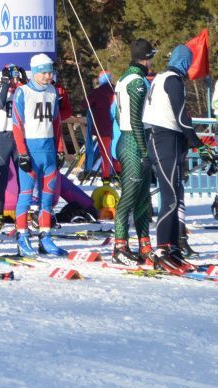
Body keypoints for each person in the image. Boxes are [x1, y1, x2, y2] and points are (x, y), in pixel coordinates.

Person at [144, 44, 210, 273]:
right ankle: (161, 249)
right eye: (189, 62)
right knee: (170, 198)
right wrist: (197, 143)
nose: (190, 67)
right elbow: (181, 116)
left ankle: (172, 248)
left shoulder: (163, 77)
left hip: (166, 140)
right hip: (164, 141)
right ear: (183, 61)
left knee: (174, 194)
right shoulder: (173, 79)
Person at [12, 53, 66, 257]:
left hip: (49, 151)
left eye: (50, 72)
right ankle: (22, 237)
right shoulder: (22, 92)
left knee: (48, 198)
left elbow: (57, 123)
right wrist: (22, 153)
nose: (48, 76)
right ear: (34, 72)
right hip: (31, 152)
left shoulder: (52, 91)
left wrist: (60, 148)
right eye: (44, 72)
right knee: (25, 197)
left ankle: (45, 237)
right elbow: (17, 125)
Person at [111, 38, 155, 265]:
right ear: (146, 58)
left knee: (143, 198)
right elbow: (136, 120)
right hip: (133, 141)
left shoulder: (122, 78)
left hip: (130, 139)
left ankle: (144, 244)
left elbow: (118, 115)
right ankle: (119, 245)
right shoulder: (137, 81)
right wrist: (144, 150)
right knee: (129, 198)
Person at [0, 64, 28, 231]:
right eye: (11, 76)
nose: (14, 79)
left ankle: (23, 214)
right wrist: (5, 82)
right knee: (2, 176)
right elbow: (0, 103)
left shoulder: (21, 90)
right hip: (2, 136)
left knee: (23, 176)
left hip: (18, 135)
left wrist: (24, 80)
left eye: (15, 76)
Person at [83, 71, 115, 181]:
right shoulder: (116, 90)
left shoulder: (97, 92)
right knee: (115, 150)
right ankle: (118, 171)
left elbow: (85, 104)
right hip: (118, 125)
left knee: (105, 152)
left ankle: (106, 175)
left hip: (102, 127)